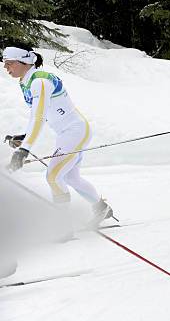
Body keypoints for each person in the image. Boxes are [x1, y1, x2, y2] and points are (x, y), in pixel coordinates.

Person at [2, 46, 113, 227]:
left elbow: (39, 117)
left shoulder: (40, 81)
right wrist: (24, 137)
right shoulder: (27, 81)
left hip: (75, 131)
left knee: (53, 176)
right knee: (70, 178)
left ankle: (63, 225)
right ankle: (101, 208)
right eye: (4, 63)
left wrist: (24, 150)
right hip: (66, 133)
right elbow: (38, 116)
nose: (6, 67)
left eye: (9, 63)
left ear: (24, 61)